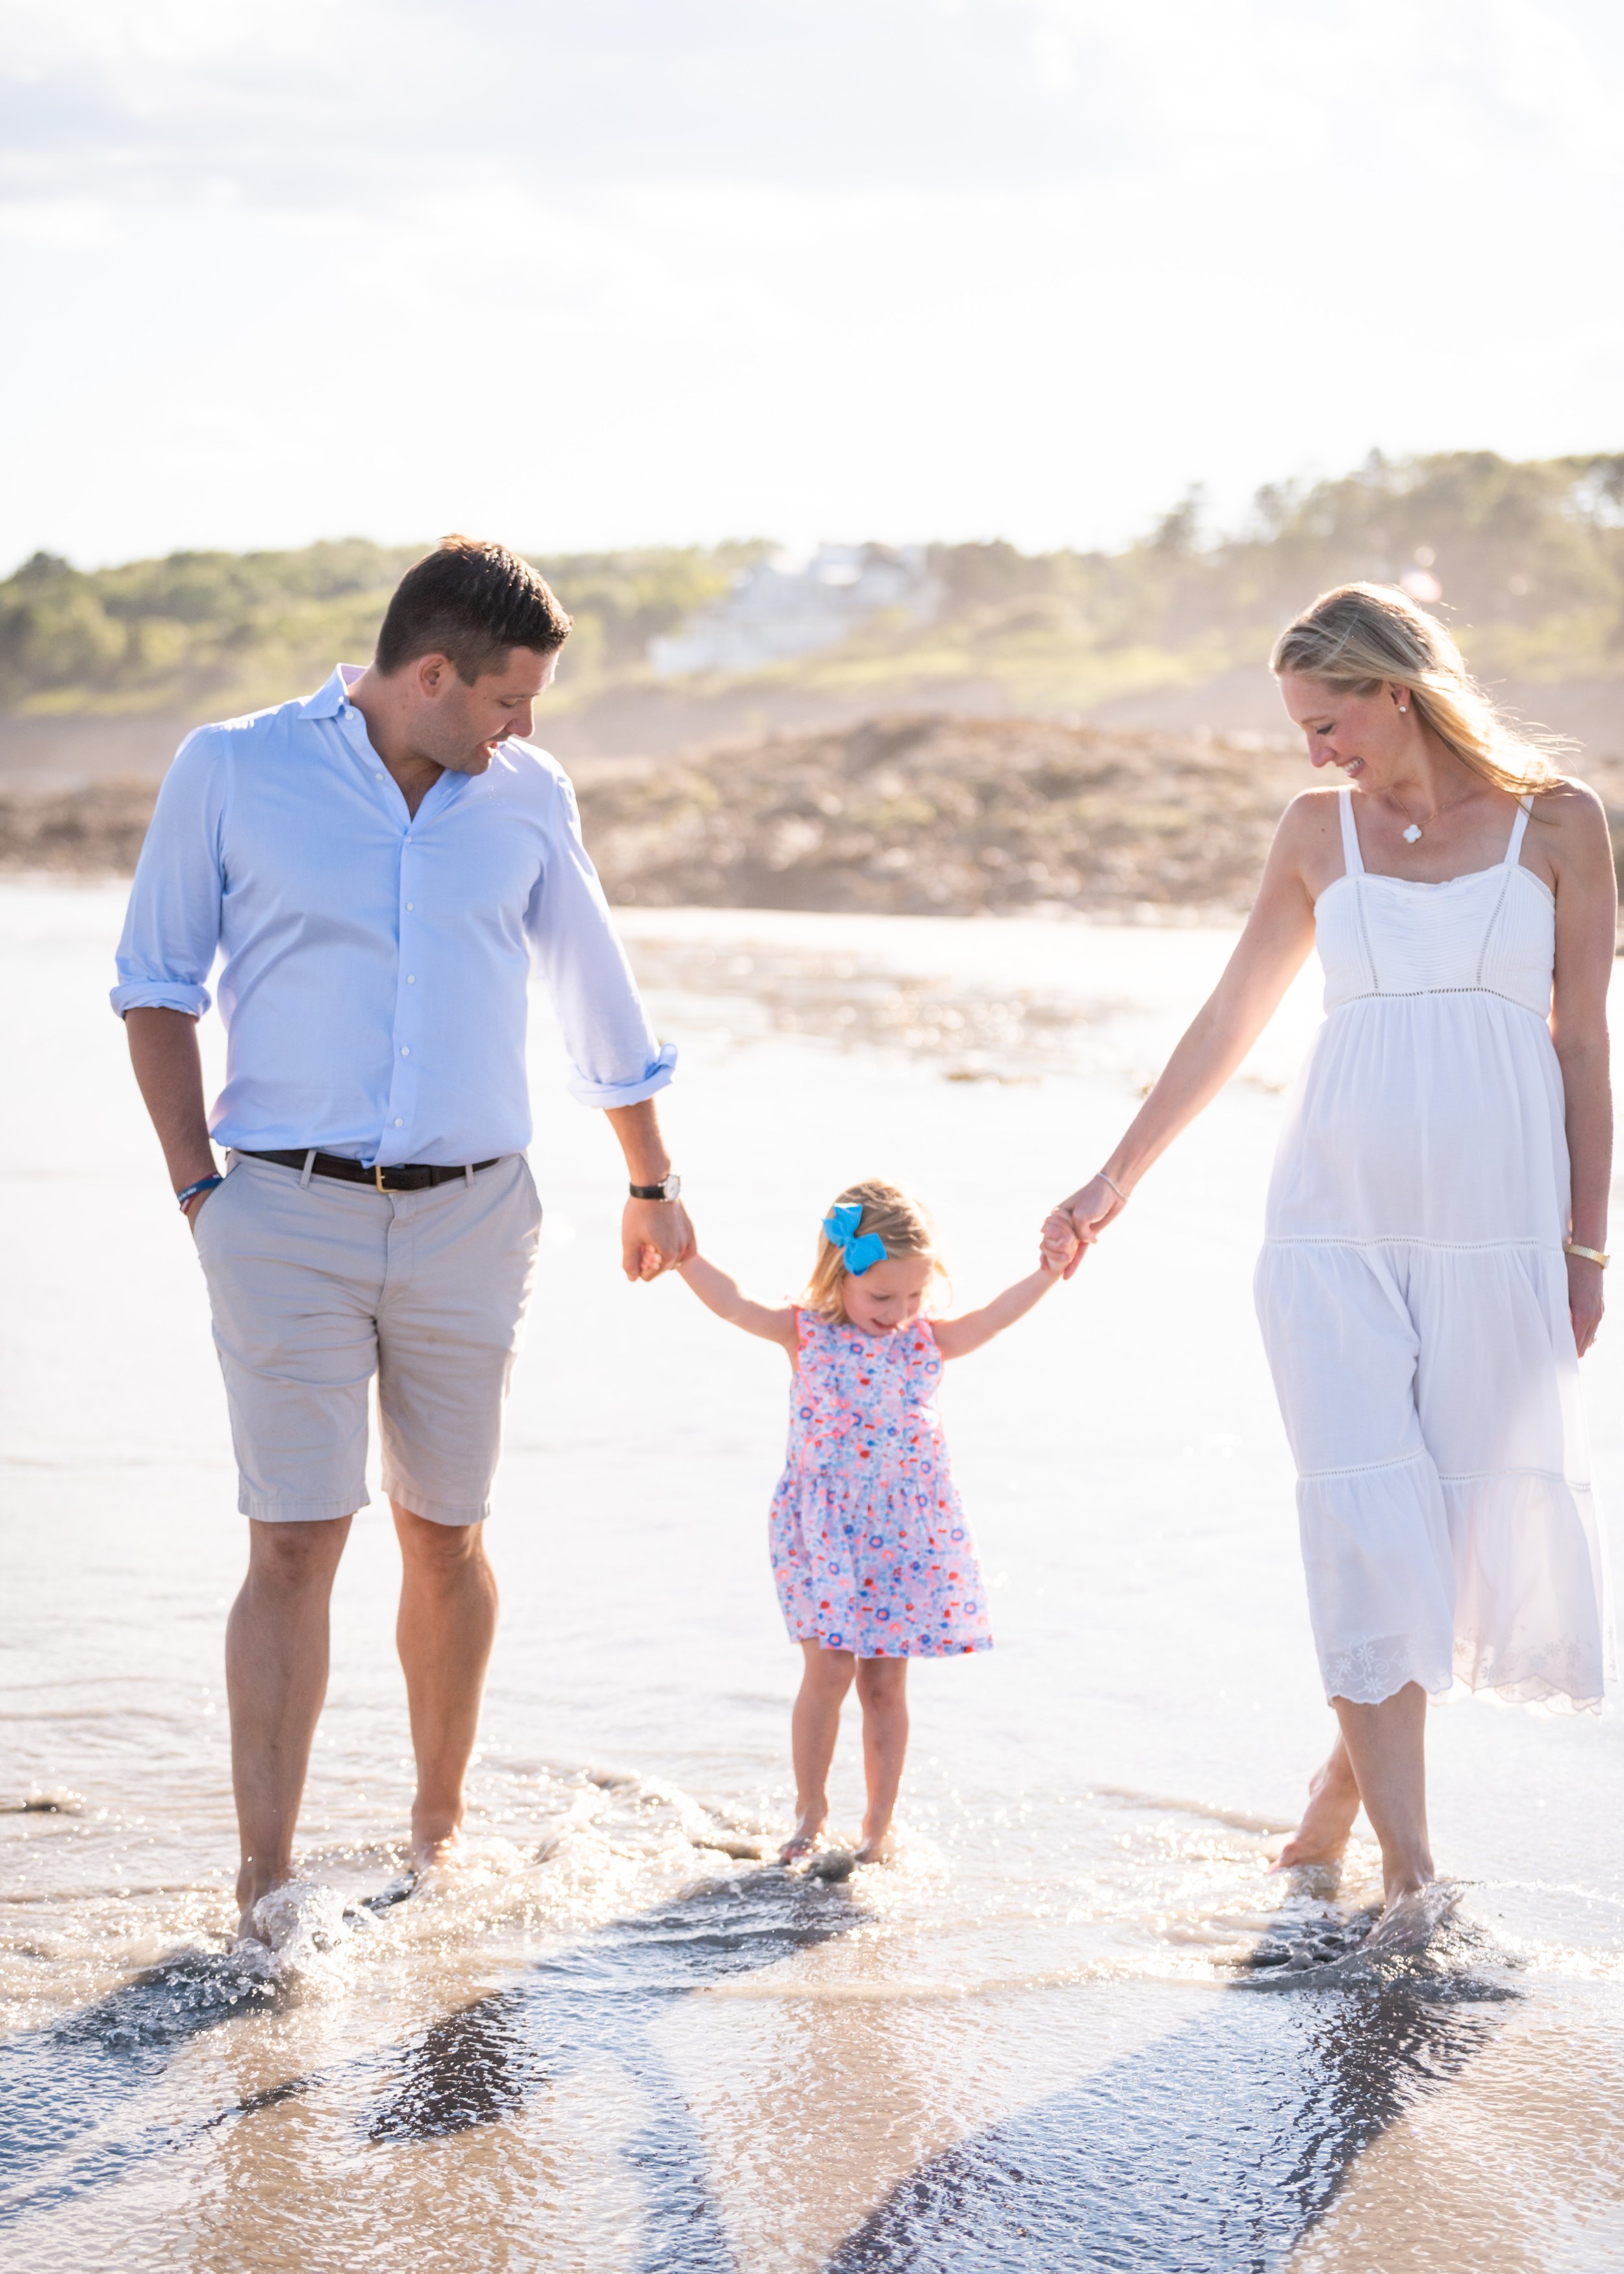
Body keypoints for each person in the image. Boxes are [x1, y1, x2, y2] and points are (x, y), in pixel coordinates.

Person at [111, 536, 694, 1943]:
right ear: (429, 675)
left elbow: (593, 994)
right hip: (281, 1214)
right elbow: (153, 985)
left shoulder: (526, 796)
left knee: (446, 1532)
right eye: (509, 698)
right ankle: (265, 1882)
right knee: (296, 1536)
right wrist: (203, 1195)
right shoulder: (234, 768)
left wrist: (650, 1181)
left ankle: (438, 1834)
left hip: (474, 1216)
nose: (525, 727)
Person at [1044, 582, 1616, 1938]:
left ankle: (1332, 1800)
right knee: (1366, 1526)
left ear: (1393, 690)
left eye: (1325, 720)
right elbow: (1229, 1015)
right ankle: (1413, 1877)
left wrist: (1588, 1240)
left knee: (1457, 1531)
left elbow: (1584, 1044)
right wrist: (1110, 1177)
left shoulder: (1560, 823)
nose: (1314, 752)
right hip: (1328, 1226)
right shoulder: (1316, 837)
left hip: (1495, 1234)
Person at [666, 1179, 1078, 1867]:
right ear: (839, 1274)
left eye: (914, 1296)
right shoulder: (805, 1332)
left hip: (904, 1536)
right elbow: (734, 1303)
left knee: (884, 1683)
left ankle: (876, 1827)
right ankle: (810, 1809)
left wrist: (1048, 1270)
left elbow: (995, 1317)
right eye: (881, 1296)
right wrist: (683, 1255)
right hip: (825, 1528)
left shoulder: (926, 1342)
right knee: (828, 1668)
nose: (899, 1312)